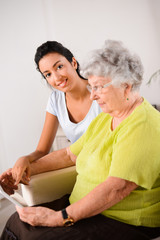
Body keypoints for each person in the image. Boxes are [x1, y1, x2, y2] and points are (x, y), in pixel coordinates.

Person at [1, 40, 160, 240]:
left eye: (99, 88)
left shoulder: (143, 124)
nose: (92, 96)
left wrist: (60, 218)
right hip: (85, 207)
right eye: (91, 87)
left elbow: (117, 188)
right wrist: (25, 170)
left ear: (126, 86)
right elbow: (69, 155)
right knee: (16, 223)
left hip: (121, 219)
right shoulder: (107, 116)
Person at [11, 41, 101, 184]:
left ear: (73, 63)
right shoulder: (55, 100)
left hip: (104, 165)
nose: (57, 78)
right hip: (80, 167)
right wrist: (25, 159)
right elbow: (42, 150)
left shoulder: (100, 90)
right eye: (48, 74)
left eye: (59, 67)